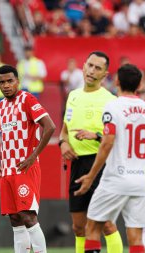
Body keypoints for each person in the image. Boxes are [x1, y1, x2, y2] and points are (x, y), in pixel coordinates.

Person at [74, 64, 145, 253]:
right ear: (139, 85)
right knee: (136, 238)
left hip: (116, 178)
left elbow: (107, 143)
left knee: (93, 228)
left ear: (117, 81)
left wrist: (90, 176)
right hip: (141, 181)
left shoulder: (113, 107)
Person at [59, 51, 122, 253]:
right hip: (77, 165)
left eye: (98, 68)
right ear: (83, 66)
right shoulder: (73, 96)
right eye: (90, 66)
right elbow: (64, 130)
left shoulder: (111, 100)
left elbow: (118, 139)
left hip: (101, 165)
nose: (92, 71)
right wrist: (63, 144)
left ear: (105, 74)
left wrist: (95, 136)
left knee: (105, 224)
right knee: (78, 227)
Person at [0, 65, 55, 253]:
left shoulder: (27, 99)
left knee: (28, 216)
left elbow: (50, 126)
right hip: (7, 169)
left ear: (17, 81)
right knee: (14, 219)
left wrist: (34, 155)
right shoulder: (0, 106)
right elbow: (7, 135)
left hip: (24, 168)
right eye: (2, 82)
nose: (6, 85)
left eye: (10, 81)